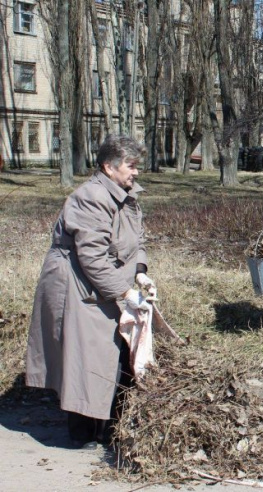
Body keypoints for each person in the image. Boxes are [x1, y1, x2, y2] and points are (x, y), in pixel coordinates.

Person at [25, 134, 156, 449]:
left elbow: (137, 241)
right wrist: (123, 293)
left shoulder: (126, 195)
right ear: (109, 167)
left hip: (106, 278)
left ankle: (109, 426)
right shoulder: (91, 197)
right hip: (77, 283)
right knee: (86, 354)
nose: (135, 172)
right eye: (131, 165)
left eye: (137, 165)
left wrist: (140, 274)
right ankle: (83, 431)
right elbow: (92, 257)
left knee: (119, 350)